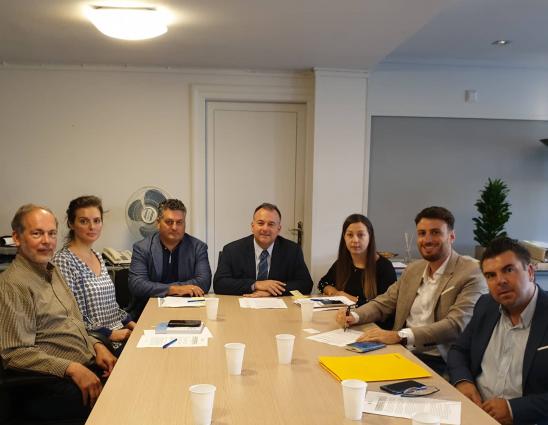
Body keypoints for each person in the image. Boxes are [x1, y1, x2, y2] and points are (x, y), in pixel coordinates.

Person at [0, 204, 117, 421]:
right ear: (16, 238)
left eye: (52, 233)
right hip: (51, 384)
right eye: (37, 233)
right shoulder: (14, 285)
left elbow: (73, 323)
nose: (47, 241)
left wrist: (97, 345)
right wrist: (72, 368)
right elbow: (14, 353)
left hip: (85, 365)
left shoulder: (52, 271)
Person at [336, 206, 487, 374]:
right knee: (342, 365)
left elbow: (455, 325)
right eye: (422, 233)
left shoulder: (471, 272)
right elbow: (384, 302)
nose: (427, 240)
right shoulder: (414, 269)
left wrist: (400, 336)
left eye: (435, 233)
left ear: (451, 236)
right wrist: (354, 315)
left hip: (438, 359)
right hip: (401, 351)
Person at [447, 237, 548, 425]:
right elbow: (458, 351)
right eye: (490, 275)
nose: (500, 281)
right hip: (475, 412)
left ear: (530, 272)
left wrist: (514, 409)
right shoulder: (486, 305)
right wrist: (463, 381)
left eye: (508, 270)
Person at [53, 196, 135, 354]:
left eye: (97, 221)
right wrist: (110, 334)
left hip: (120, 333)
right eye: (84, 221)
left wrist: (132, 324)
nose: (92, 227)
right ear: (71, 223)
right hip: (98, 342)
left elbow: (111, 306)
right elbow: (72, 317)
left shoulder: (98, 256)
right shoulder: (63, 261)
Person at [128, 198, 211, 319]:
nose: (174, 227)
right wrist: (174, 289)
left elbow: (204, 282)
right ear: (158, 223)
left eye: (179, 222)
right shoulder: (142, 248)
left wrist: (160, 288)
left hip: (189, 310)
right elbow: (137, 284)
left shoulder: (198, 247)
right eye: (169, 222)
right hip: (149, 311)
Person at [213, 202, 313, 297]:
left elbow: (306, 284)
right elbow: (219, 284)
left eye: (271, 224)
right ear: (252, 226)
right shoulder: (232, 250)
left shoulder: (292, 250)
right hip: (242, 303)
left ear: (278, 229)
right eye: (260, 223)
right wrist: (255, 284)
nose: (265, 229)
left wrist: (272, 291)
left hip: (279, 306)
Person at [318, 213, 397, 307]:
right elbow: (323, 283)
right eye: (350, 235)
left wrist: (349, 298)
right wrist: (334, 292)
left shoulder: (384, 267)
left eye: (361, 235)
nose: (355, 240)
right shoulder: (342, 263)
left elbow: (386, 305)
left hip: (369, 316)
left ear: (370, 236)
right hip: (342, 314)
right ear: (344, 237)